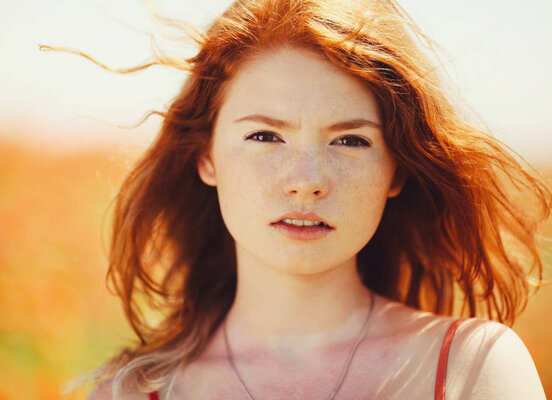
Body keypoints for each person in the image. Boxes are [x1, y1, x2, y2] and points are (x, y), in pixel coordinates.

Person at [81, 0, 551, 398]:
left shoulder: (473, 371)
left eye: (350, 141)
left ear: (397, 170)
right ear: (206, 157)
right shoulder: (134, 391)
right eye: (265, 135)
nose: (306, 181)